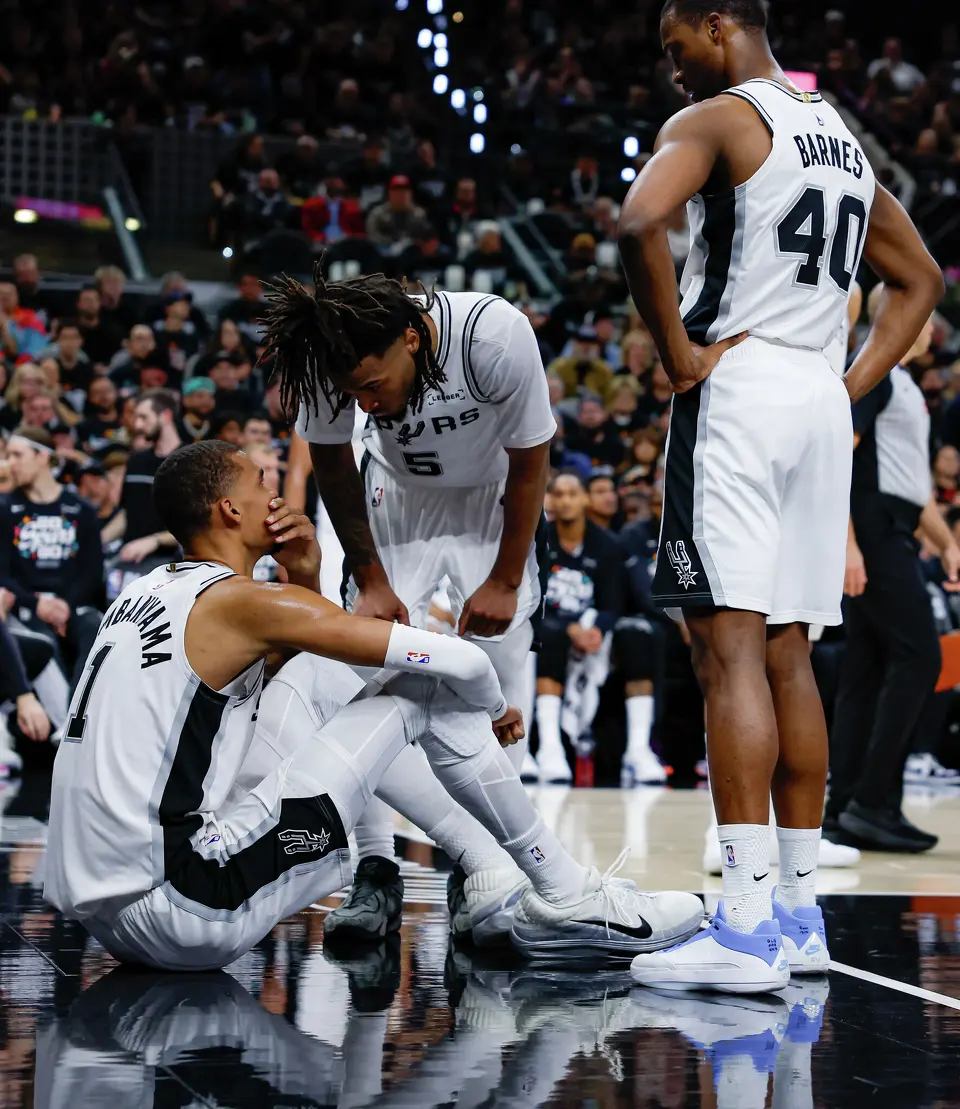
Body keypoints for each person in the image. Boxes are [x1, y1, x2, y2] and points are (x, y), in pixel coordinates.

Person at [42, 439, 704, 970]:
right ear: (231, 513)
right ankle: (565, 895)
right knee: (423, 688)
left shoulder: (147, 594)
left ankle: (485, 870)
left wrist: (304, 572)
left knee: (338, 678)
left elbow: (312, 668)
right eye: (262, 485)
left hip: (109, 916)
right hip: (190, 904)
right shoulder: (244, 601)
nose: (277, 493)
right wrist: (491, 706)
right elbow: (463, 661)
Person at [619, 0, 942, 994]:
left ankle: (746, 921)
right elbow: (919, 278)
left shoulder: (721, 118)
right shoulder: (836, 134)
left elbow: (637, 220)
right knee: (791, 651)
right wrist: (847, 382)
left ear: (719, 24)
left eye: (677, 49)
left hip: (742, 392)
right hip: (813, 400)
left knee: (728, 654)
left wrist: (678, 354)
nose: (674, 71)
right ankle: (799, 917)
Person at [264, 267, 556, 941]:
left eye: (371, 385)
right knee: (360, 676)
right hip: (397, 499)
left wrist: (507, 578)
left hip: (493, 501)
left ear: (414, 336)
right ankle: (375, 866)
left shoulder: (492, 334)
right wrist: (368, 575)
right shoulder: (329, 354)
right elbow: (333, 458)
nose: (364, 404)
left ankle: (488, 870)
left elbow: (532, 459)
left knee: (503, 686)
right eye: (352, 392)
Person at [828, 294, 954, 851]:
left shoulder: (899, 379)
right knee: (920, 655)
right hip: (872, 526)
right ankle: (875, 802)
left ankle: (843, 808)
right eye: (923, 316)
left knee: (868, 667)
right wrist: (848, 544)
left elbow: (909, 482)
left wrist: (947, 543)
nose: (930, 328)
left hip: (890, 522)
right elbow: (841, 456)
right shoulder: (874, 367)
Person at [534, 473, 624, 783]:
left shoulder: (608, 545)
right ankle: (550, 747)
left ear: (585, 499)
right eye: (558, 494)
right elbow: (532, 597)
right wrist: (568, 627)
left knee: (628, 637)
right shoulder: (539, 540)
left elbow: (613, 604)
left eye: (572, 493)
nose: (565, 500)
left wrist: (597, 628)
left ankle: (587, 734)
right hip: (547, 622)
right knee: (551, 636)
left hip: (590, 629)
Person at [0, 428, 104, 691]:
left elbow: (92, 571)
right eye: (7, 455)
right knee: (41, 641)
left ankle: (80, 715)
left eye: (17, 455)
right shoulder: (5, 509)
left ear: (42, 457)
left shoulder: (81, 509)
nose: (9, 463)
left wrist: (64, 606)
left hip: (72, 603)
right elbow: (2, 574)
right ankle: (59, 723)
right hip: (26, 604)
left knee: (97, 632)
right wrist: (37, 603)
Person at [118, 389, 182, 564]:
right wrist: (99, 539)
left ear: (166, 416)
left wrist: (155, 541)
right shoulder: (136, 461)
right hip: (131, 559)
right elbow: (127, 514)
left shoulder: (193, 462)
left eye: (144, 417)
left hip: (173, 563)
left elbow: (201, 527)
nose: (137, 425)